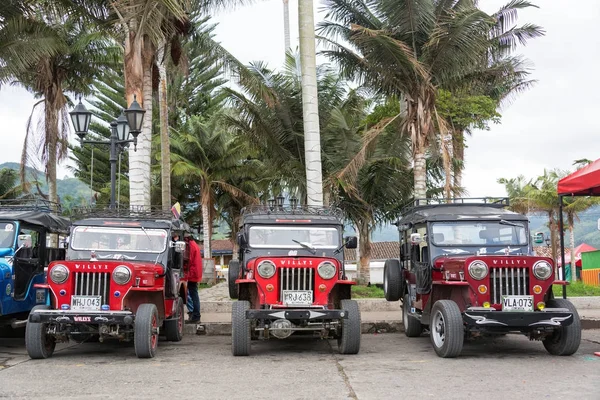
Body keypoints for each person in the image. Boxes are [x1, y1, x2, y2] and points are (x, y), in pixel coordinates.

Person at [183, 232, 202, 323]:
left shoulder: (190, 246)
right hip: (195, 273)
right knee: (193, 294)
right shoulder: (194, 244)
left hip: (192, 273)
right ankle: (195, 315)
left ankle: (195, 315)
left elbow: (188, 260)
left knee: (192, 295)